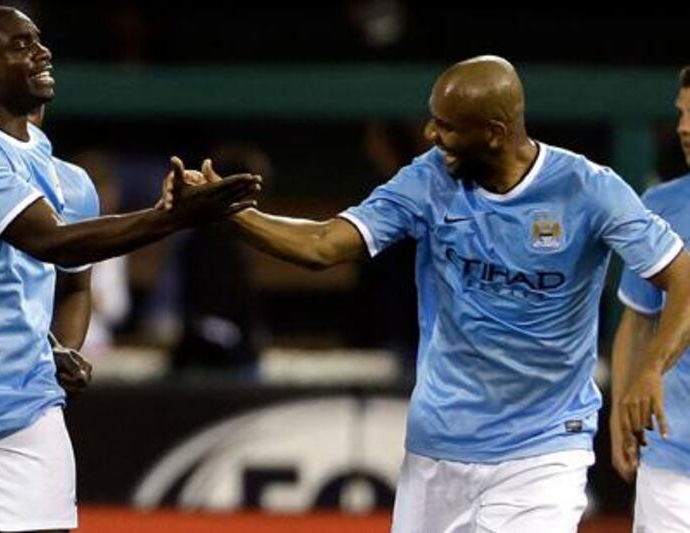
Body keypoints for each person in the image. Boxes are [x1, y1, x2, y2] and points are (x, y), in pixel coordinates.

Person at [190, 55, 690, 532]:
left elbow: (682, 275)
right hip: (439, 443)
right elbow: (324, 244)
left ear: (494, 132)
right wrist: (233, 215)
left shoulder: (588, 190)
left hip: (544, 450)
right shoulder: (428, 180)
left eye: (447, 127)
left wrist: (651, 368)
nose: (432, 135)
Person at [0, 6, 260, 533]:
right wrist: (172, 218)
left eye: (39, 40)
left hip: (27, 405)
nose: (42, 53)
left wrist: (62, 347)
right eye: (20, 45)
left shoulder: (73, 183)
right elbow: (51, 242)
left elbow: (74, 286)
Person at [611, 65, 690, 531]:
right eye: (681, 114)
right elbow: (637, 321)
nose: (683, 127)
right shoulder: (658, 206)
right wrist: (622, 407)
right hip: (670, 457)